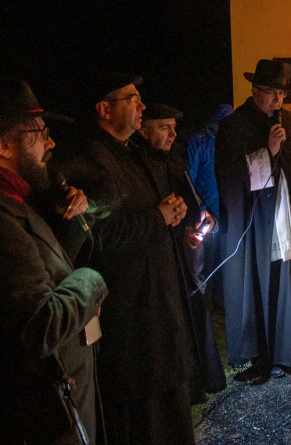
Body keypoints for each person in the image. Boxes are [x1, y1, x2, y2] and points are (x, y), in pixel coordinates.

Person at [60, 72, 197, 444]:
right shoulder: (89, 158)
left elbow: (144, 207)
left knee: (168, 403)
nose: (142, 106)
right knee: (143, 416)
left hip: (155, 301)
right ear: (104, 109)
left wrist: (171, 210)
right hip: (131, 312)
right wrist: (157, 217)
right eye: (131, 98)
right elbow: (98, 233)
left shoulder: (129, 151)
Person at [0, 78, 108, 445]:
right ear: (4, 146)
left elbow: (48, 268)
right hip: (48, 415)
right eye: (40, 133)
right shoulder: (5, 219)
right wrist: (91, 280)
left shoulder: (22, 202)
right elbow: (39, 325)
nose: (51, 143)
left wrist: (70, 220)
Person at [216, 59, 291, 382]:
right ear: (255, 91)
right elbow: (232, 177)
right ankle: (262, 356)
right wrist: (269, 149)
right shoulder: (234, 126)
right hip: (258, 225)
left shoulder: (290, 122)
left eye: (282, 94)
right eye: (272, 93)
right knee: (260, 285)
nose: (278, 100)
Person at [134, 103, 226, 400]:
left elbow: (191, 196)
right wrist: (177, 229)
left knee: (196, 314)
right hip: (158, 263)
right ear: (144, 131)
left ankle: (200, 383)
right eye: (165, 128)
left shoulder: (173, 161)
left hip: (184, 256)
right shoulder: (137, 166)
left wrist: (201, 220)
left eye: (174, 128)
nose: (173, 134)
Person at [185, 103, 234, 307]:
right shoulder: (199, 142)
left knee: (223, 260)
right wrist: (199, 209)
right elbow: (189, 178)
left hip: (227, 212)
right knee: (202, 262)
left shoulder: (231, 144)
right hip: (206, 212)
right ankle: (201, 305)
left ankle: (219, 304)